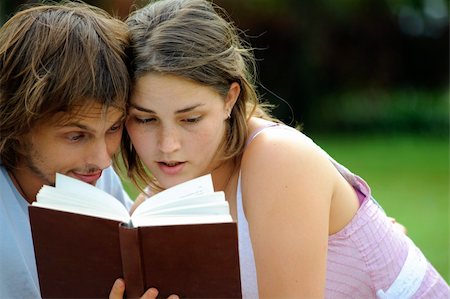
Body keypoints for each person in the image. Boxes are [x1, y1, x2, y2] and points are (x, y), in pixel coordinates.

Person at [122, 0, 450, 298]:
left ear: (229, 99)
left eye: (191, 118)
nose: (168, 145)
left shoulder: (278, 158)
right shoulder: (153, 209)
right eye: (145, 119)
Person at [0, 3, 156, 298]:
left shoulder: (92, 181)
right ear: (17, 126)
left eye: (113, 128)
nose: (102, 160)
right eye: (76, 136)